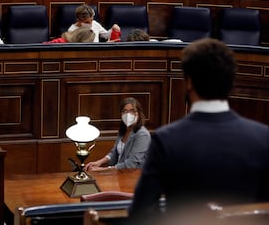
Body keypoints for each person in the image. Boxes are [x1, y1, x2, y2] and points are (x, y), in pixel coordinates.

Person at [127, 38, 269, 224]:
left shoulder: (166, 140)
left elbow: (141, 214)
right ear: (230, 82)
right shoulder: (263, 137)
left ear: (190, 82)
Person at [85, 97, 151, 171]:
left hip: (135, 176)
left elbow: (131, 164)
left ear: (138, 113)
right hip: (120, 174)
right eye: (125, 111)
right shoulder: (123, 131)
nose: (128, 114)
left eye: (132, 111)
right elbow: (114, 153)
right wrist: (99, 162)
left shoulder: (142, 134)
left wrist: (102, 170)